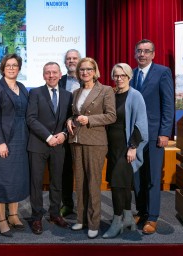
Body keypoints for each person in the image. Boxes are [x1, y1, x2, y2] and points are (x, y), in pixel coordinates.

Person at [67, 57, 116, 239]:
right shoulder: (76, 92)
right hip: (77, 141)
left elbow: (111, 116)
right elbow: (74, 114)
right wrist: (69, 120)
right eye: (81, 70)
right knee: (79, 182)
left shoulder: (105, 90)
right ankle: (81, 219)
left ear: (95, 71)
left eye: (88, 69)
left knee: (93, 183)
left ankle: (94, 222)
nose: (85, 72)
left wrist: (90, 120)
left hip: (95, 141)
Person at [130, 39, 175, 235]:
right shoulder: (130, 74)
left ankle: (153, 217)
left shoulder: (162, 72)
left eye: (146, 51)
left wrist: (165, 132)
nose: (142, 54)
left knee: (153, 178)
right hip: (134, 137)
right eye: (139, 51)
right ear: (135, 53)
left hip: (156, 135)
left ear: (153, 54)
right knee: (137, 177)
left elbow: (168, 104)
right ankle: (141, 211)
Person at [0, 53, 29, 237]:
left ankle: (14, 215)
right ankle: (1, 220)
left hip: (20, 139)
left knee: (15, 178)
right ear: (2, 68)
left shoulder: (23, 87)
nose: (11, 68)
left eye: (15, 65)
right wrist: (0, 142)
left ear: (19, 68)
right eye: (8, 65)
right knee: (0, 179)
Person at [102, 63, 148, 239]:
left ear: (129, 77)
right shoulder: (111, 94)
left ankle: (116, 222)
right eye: (116, 75)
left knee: (117, 185)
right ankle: (128, 217)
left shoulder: (135, 96)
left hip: (127, 147)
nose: (119, 78)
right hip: (112, 148)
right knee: (123, 184)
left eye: (123, 75)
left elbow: (141, 123)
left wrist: (133, 147)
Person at [26, 62, 73, 235]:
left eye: (54, 72)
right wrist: (48, 137)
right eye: (48, 73)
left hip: (59, 145)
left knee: (57, 182)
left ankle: (55, 214)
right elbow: (31, 119)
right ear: (43, 75)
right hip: (38, 144)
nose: (51, 75)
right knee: (36, 183)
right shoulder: (35, 93)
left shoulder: (69, 95)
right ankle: (36, 217)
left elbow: (71, 119)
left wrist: (63, 135)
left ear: (61, 74)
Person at [58, 49, 81, 218]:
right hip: (64, 132)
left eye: (74, 58)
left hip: (85, 131)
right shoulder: (60, 80)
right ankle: (67, 204)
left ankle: (84, 206)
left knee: (83, 170)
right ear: (65, 62)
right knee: (65, 170)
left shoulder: (89, 79)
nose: (71, 61)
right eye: (68, 59)